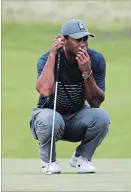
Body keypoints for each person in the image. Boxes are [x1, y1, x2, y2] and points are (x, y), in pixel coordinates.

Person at [29, 18, 111, 174]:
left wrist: (87, 73)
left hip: (76, 117)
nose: (83, 44)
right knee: (51, 119)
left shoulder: (96, 60)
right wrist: (53, 55)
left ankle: (81, 158)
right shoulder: (46, 59)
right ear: (63, 40)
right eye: (77, 39)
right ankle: (48, 161)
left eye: (85, 39)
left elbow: (96, 102)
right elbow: (45, 91)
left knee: (102, 117)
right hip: (47, 117)